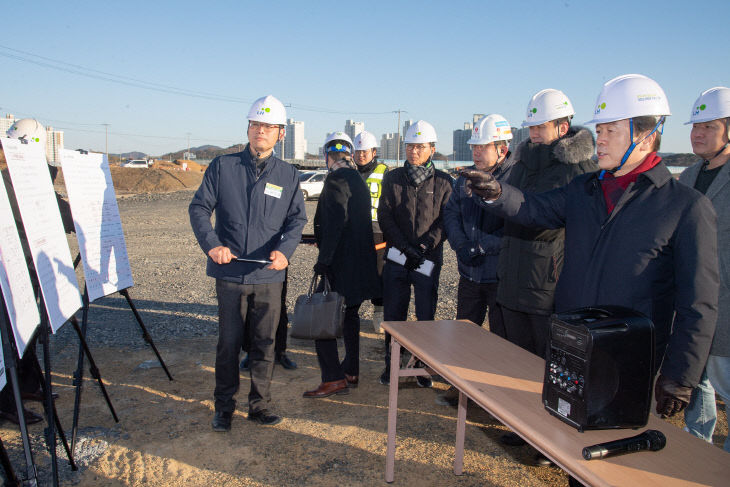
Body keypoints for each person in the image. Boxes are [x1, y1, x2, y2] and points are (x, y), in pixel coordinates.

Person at [462, 74, 718, 425]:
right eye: (599, 131)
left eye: (611, 131)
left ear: (647, 134)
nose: (600, 140)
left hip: (629, 355)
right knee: (565, 436)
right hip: (571, 343)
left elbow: (698, 304)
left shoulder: (685, 207)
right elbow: (533, 209)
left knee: (611, 449)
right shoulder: (584, 189)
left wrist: (680, 376)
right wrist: (494, 192)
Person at [189, 95, 307, 431]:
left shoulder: (287, 175)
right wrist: (213, 246)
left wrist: (286, 251)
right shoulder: (223, 166)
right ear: (249, 128)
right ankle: (224, 406)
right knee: (228, 342)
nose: (261, 131)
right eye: (256, 124)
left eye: (269, 127)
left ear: (280, 134)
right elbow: (199, 209)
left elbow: (296, 221)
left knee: (265, 343)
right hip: (229, 272)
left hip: (268, 274)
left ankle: (260, 405)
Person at [496, 89, 596, 363]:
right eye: (531, 127)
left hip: (546, 287)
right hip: (513, 279)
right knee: (513, 360)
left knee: (545, 364)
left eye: (541, 126)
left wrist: (502, 200)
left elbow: (546, 221)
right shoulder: (522, 165)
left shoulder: (577, 171)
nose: (534, 133)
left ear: (562, 128)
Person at [439, 114, 515, 406]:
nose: (476, 152)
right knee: (464, 332)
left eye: (482, 147)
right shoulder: (465, 179)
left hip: (500, 276)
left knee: (501, 339)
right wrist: (460, 244)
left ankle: (499, 396)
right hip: (470, 272)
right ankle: (462, 388)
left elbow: (516, 228)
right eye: (474, 147)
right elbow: (451, 214)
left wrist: (483, 246)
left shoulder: (513, 181)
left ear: (501, 149)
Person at [0, 118, 71, 426]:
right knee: (12, 337)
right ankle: (7, 401)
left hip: (29, 268)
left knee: (28, 331)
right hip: (13, 272)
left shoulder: (23, 179)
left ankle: (28, 386)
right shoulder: (14, 183)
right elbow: (63, 217)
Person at [303, 132, 380, 398]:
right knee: (350, 317)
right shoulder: (358, 179)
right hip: (360, 263)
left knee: (322, 317)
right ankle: (351, 370)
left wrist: (323, 261)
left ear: (327, 157)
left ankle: (333, 378)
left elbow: (336, 222)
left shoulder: (335, 179)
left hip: (341, 265)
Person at [377, 120, 453, 387]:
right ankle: (392, 364)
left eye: (420, 146)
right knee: (394, 314)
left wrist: (424, 247)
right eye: (410, 146)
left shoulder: (445, 182)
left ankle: (421, 366)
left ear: (432, 149)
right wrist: (404, 247)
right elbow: (384, 215)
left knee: (425, 315)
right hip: (398, 257)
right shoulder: (393, 178)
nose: (414, 152)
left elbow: (446, 220)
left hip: (427, 259)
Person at [679, 86, 730, 452]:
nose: (697, 133)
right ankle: (697, 448)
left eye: (708, 126)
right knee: (696, 382)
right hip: (692, 306)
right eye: (695, 125)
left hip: (726, 306)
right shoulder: (687, 177)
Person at [353, 130, 389, 332]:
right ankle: (349, 313)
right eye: (357, 151)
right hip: (355, 231)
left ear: (374, 152)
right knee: (355, 274)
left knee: (379, 274)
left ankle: (379, 313)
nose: (360, 155)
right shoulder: (350, 172)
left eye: (364, 151)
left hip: (378, 232)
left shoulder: (385, 172)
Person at [240, 270, 298, 371]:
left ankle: (280, 351)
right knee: (249, 306)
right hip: (249, 263)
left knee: (279, 306)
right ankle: (250, 352)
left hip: (276, 263)